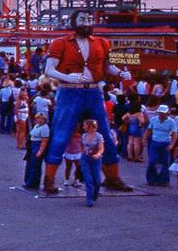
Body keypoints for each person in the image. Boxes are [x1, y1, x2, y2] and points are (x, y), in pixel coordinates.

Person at [39, 11, 134, 195]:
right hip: (69, 91)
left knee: (105, 134)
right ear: (73, 22)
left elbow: (107, 66)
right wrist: (67, 76)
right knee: (61, 135)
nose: (86, 22)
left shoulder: (102, 43)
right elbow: (49, 69)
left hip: (93, 91)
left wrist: (120, 73)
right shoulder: (60, 42)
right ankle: (49, 180)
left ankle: (113, 177)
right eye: (82, 19)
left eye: (89, 19)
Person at [77, 118, 105, 207]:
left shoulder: (98, 136)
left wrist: (98, 154)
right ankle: (89, 199)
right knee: (88, 179)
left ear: (90, 126)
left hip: (95, 159)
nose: (83, 126)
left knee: (97, 180)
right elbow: (81, 146)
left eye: (85, 125)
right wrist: (82, 154)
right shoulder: (83, 136)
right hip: (85, 159)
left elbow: (101, 148)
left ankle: (95, 193)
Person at [24, 112, 50, 193]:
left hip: (37, 145)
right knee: (30, 164)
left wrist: (40, 151)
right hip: (32, 145)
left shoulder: (45, 128)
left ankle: (33, 183)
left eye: (41, 118)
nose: (39, 120)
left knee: (35, 165)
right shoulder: (36, 126)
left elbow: (44, 141)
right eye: (38, 118)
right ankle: (28, 181)